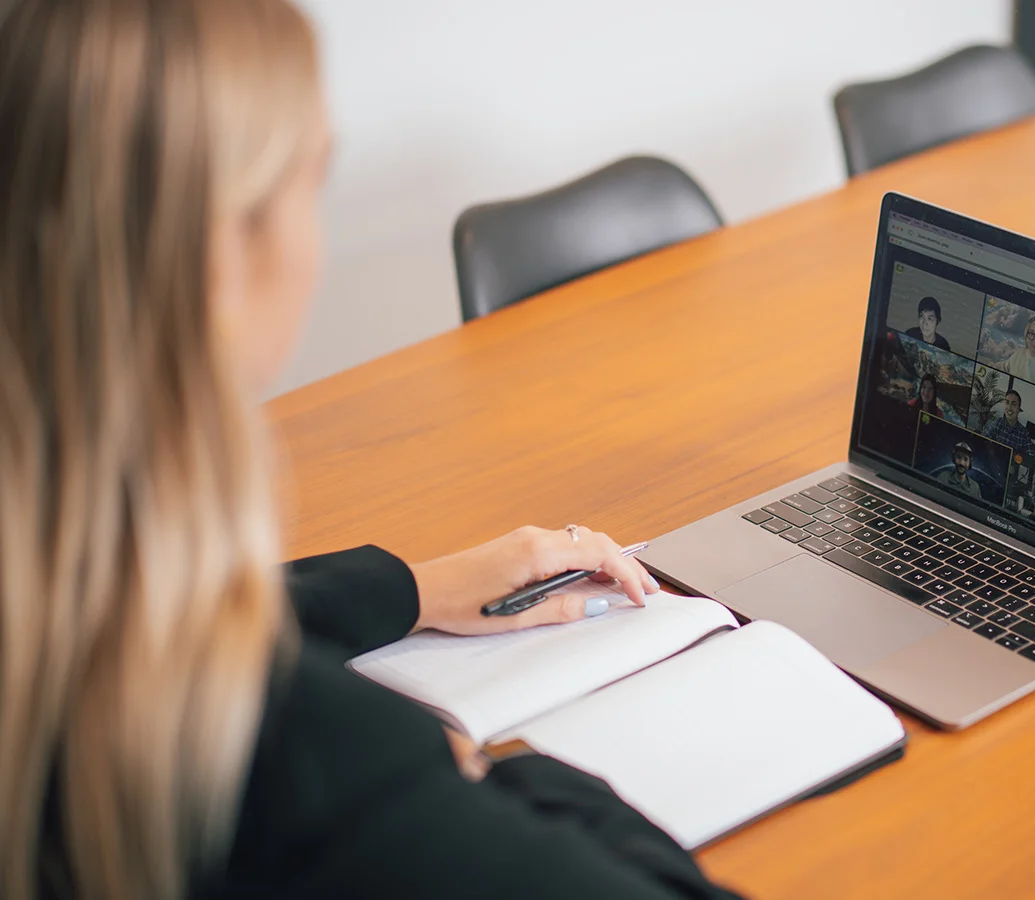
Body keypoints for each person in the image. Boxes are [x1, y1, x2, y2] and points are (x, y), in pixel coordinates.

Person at [0, 3, 740, 899]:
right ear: (221, 257)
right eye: (312, 184)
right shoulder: (302, 756)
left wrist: (415, 588)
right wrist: (480, 771)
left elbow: (138, 619)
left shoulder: (47, 607)